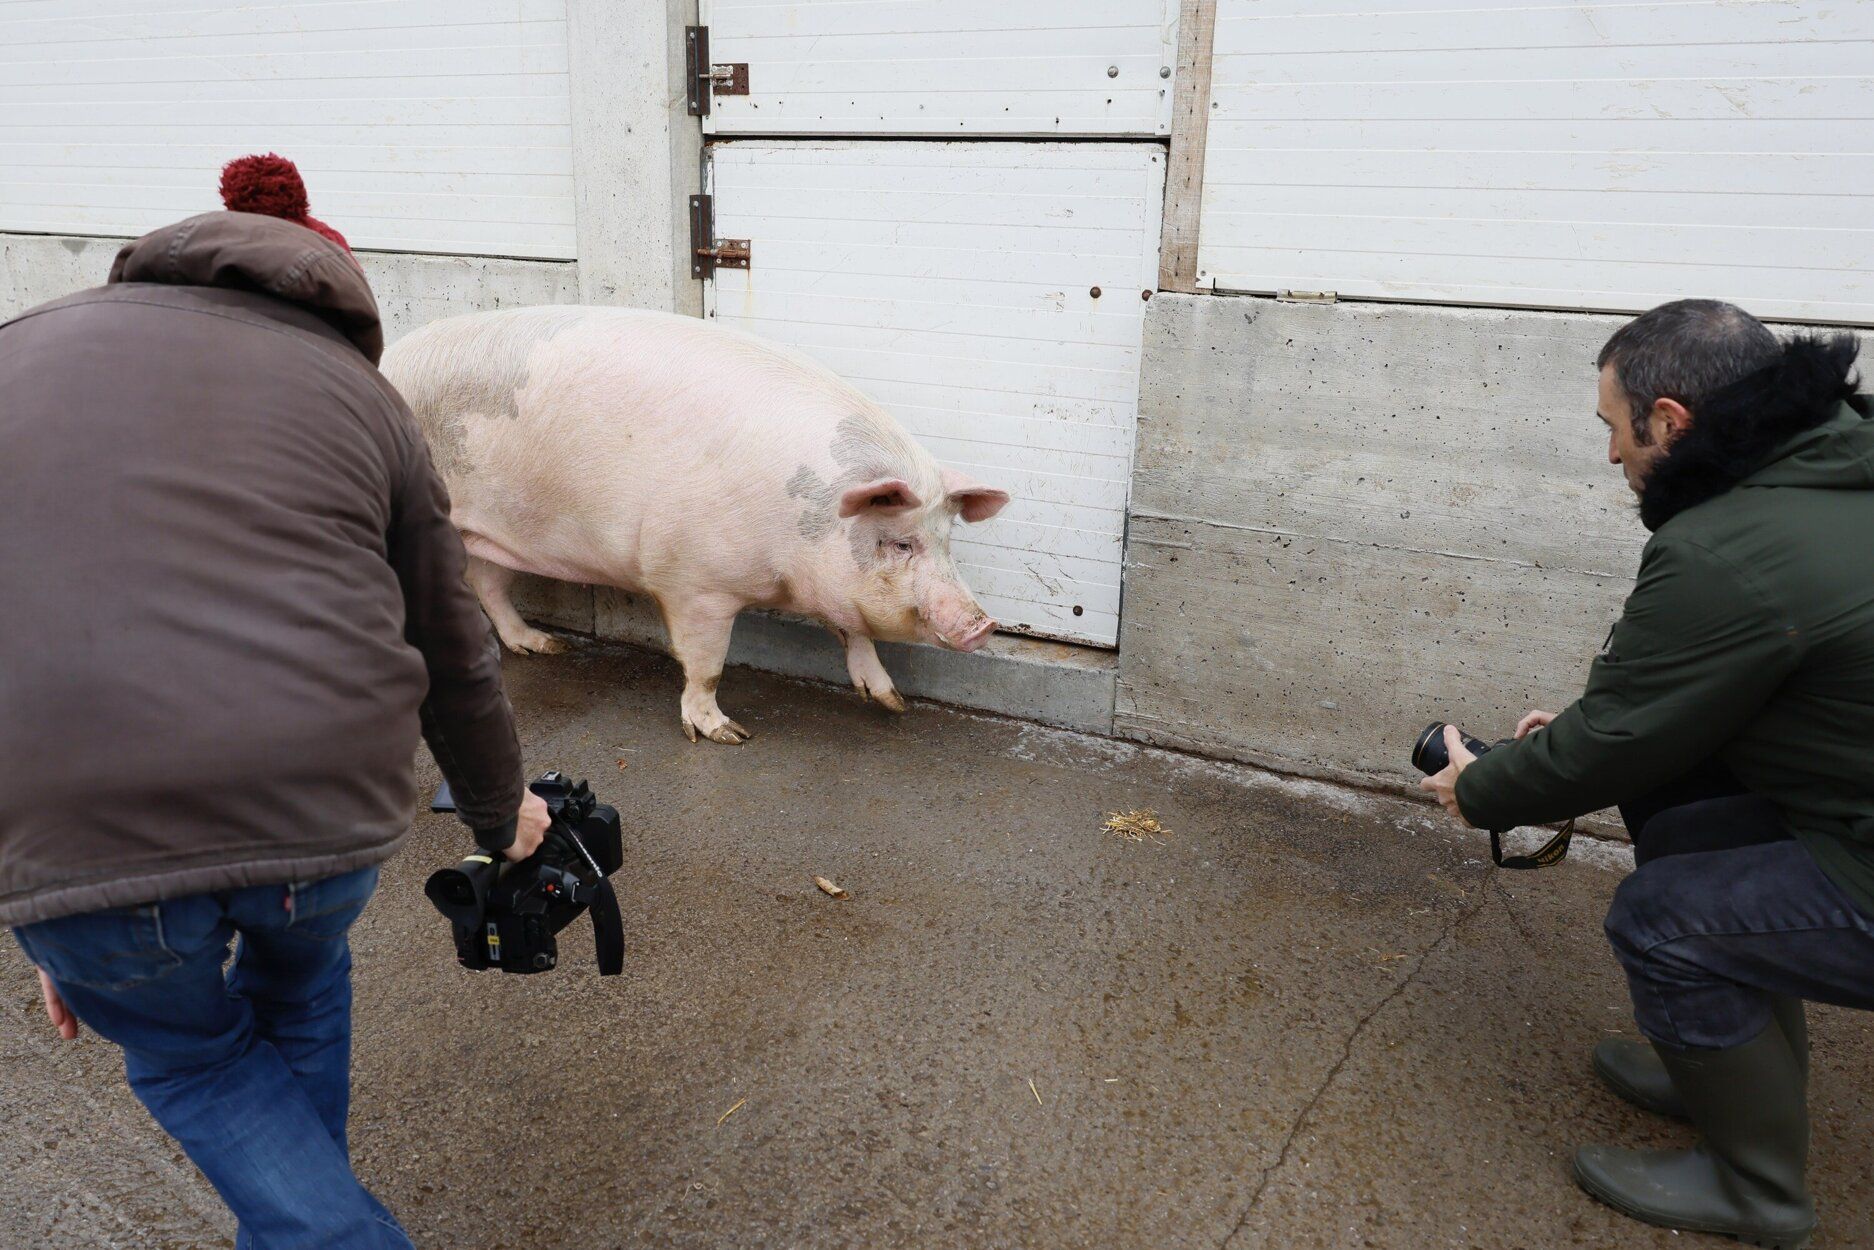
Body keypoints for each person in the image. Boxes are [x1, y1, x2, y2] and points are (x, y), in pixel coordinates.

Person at [0, 155, 551, 1248]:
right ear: (334, 296)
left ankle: (308, 1227)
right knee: (298, 990)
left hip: (70, 814)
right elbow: (452, 645)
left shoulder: (17, 351)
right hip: (321, 812)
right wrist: (502, 815)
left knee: (189, 1052)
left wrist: (60, 905)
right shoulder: (364, 398)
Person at [1420, 299, 1874, 1248]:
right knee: (1691, 807)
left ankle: (1756, 1193)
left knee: (1665, 920)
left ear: (1670, 422)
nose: (1612, 458)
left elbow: (1612, 744)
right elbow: (1680, 703)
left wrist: (1480, 788)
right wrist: (1599, 733)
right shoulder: (1834, 470)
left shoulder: (1729, 548)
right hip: (1849, 804)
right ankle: (1724, 1068)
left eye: (1614, 430)